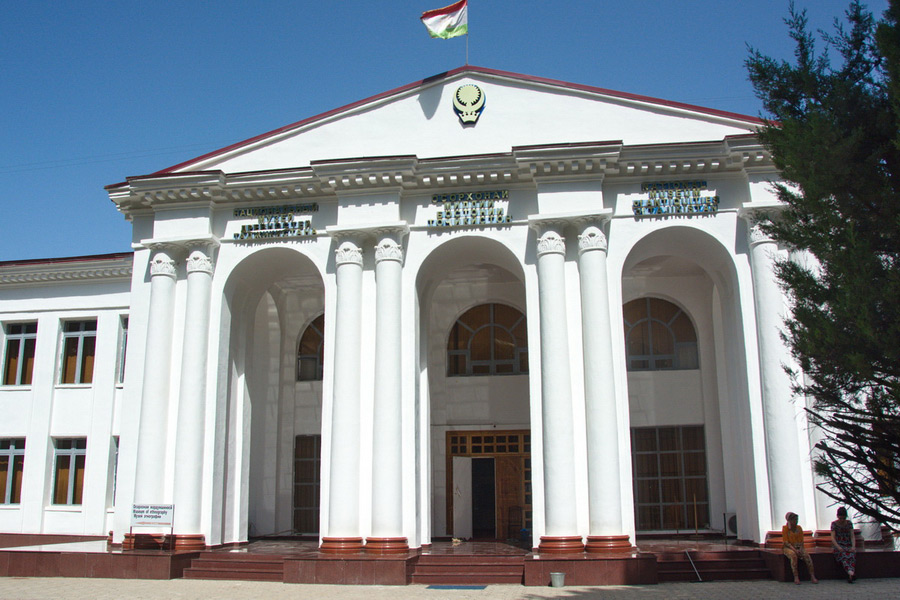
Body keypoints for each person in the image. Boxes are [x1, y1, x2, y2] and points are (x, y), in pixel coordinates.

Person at [783, 512, 818, 584]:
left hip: (799, 546)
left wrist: (800, 549)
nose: (796, 521)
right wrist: (795, 550)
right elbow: (786, 542)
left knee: (807, 556)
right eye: (794, 520)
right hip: (789, 547)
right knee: (793, 556)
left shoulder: (799, 528)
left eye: (796, 520)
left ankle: (812, 575)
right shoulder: (785, 528)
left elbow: (801, 541)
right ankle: (796, 576)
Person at [831, 507, 857, 583]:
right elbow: (832, 537)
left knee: (851, 556)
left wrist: (853, 546)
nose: (842, 520)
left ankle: (850, 574)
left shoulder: (849, 523)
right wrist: (838, 547)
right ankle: (850, 573)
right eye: (840, 518)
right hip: (839, 545)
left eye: (843, 518)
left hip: (848, 544)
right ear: (837, 516)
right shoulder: (834, 524)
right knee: (844, 556)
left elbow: (852, 536)